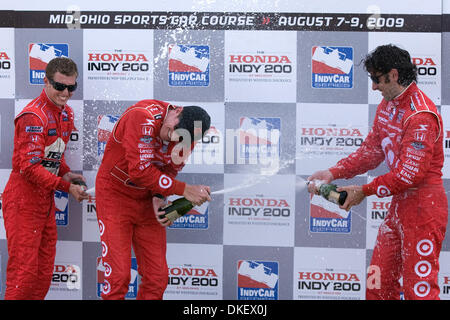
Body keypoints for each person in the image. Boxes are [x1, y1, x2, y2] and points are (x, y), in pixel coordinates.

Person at [307, 44, 448, 300]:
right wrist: (332, 172)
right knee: (378, 284)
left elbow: (409, 175)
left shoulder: (420, 114)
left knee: (419, 291)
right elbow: (371, 151)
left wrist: (364, 190)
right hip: (399, 206)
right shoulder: (388, 104)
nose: (373, 87)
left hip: (423, 208)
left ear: (393, 75)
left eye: (376, 78)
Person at [95, 100, 212, 300]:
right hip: (115, 196)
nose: (172, 137)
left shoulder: (188, 137)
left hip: (147, 199)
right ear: (176, 111)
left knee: (157, 277)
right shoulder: (142, 115)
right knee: (119, 277)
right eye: (173, 129)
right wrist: (185, 190)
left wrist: (159, 197)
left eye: (179, 137)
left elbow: (169, 169)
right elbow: (139, 171)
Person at [2, 57, 88, 300]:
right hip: (23, 201)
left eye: (71, 88)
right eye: (59, 86)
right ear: (45, 81)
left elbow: (52, 155)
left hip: (45, 201)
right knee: (24, 274)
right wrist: (65, 186)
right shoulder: (33, 116)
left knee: (42, 273)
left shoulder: (66, 113)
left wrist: (66, 172)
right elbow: (29, 167)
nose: (65, 93)